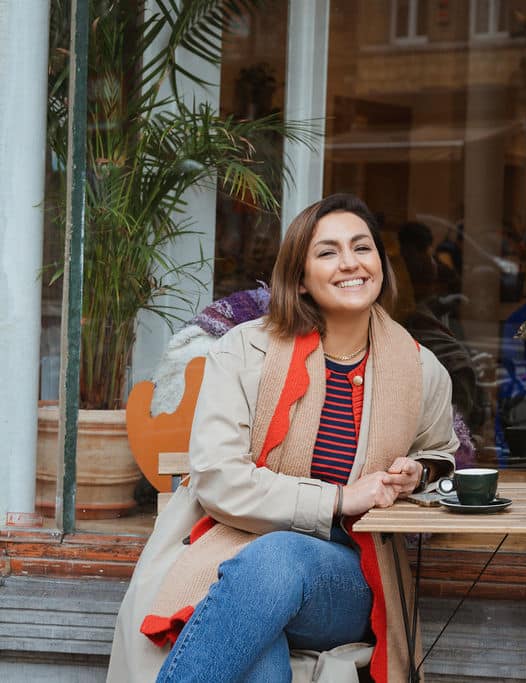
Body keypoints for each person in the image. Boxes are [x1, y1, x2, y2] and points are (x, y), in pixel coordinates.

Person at [108, 194, 459, 683]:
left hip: (348, 578)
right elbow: (219, 480)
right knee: (259, 652)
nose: (350, 263)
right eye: (328, 252)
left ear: (382, 263)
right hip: (230, 552)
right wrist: (340, 497)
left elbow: (440, 455)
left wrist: (419, 472)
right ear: (299, 278)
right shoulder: (243, 351)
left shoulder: (420, 369)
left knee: (277, 557)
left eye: (362, 248)